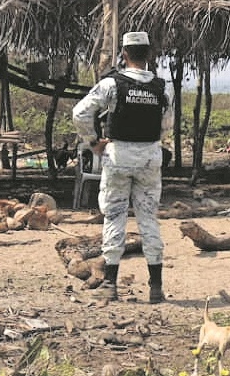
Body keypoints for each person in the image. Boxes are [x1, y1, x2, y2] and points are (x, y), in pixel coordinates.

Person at [73, 31, 171, 304]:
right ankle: (156, 288)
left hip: (118, 156)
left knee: (114, 216)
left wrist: (93, 141)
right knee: (149, 218)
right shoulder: (163, 87)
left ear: (124, 55)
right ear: (149, 55)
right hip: (150, 156)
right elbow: (167, 124)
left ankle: (111, 285)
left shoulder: (112, 84)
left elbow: (80, 113)